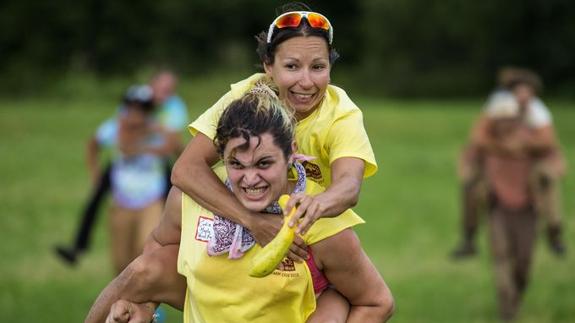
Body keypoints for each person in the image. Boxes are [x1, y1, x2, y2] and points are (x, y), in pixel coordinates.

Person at [85, 84, 394, 323]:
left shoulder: (315, 218)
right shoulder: (190, 198)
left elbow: (376, 301)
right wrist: (142, 304)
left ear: (291, 152)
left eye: (264, 164)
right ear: (221, 155)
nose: (250, 179)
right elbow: (155, 256)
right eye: (237, 164)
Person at [55, 71, 189, 265]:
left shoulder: (171, 112)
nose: (136, 114)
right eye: (132, 108)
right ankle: (78, 247)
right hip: (122, 198)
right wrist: (95, 174)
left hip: (151, 196)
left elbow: (177, 147)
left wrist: (154, 136)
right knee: (121, 260)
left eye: (141, 109)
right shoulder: (115, 126)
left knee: (146, 250)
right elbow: (96, 145)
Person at [451, 68, 567, 259]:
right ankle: (468, 238)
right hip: (495, 160)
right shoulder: (497, 107)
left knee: (547, 179)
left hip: (528, 163)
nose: (522, 96)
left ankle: (554, 233)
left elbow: (548, 141)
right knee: (470, 182)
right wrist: (503, 148)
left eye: (527, 91)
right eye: (518, 91)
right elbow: (478, 137)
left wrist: (522, 146)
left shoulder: (538, 111)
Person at [476, 93, 541, 321]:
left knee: (523, 263)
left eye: (510, 118)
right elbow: (467, 164)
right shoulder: (485, 143)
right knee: (501, 259)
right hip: (498, 209)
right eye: (500, 119)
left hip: (528, 211)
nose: (505, 124)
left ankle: (555, 231)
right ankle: (508, 313)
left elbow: (557, 163)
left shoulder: (533, 141)